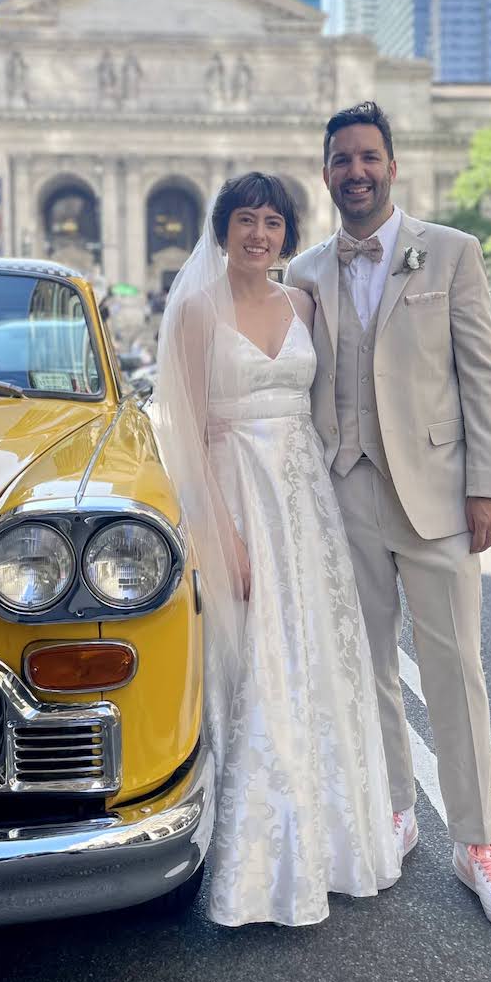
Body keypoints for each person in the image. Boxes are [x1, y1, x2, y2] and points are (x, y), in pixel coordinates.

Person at [286, 101, 491, 933]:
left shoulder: (451, 253)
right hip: (345, 487)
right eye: (340, 160)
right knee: (368, 668)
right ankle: (396, 807)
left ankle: (479, 841)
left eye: (367, 157)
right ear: (325, 174)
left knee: (456, 668)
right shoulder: (307, 272)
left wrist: (489, 484)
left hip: (436, 490)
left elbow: (483, 379)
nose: (354, 172)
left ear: (392, 165)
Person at [155, 172, 399, 927]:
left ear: (286, 234)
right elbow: (186, 432)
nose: (259, 234)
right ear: (221, 229)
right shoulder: (196, 312)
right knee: (258, 665)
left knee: (321, 656)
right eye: (245, 220)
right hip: (238, 495)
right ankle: (261, 856)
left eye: (272, 222)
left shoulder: (304, 303)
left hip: (305, 502)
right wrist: (219, 530)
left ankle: (331, 839)